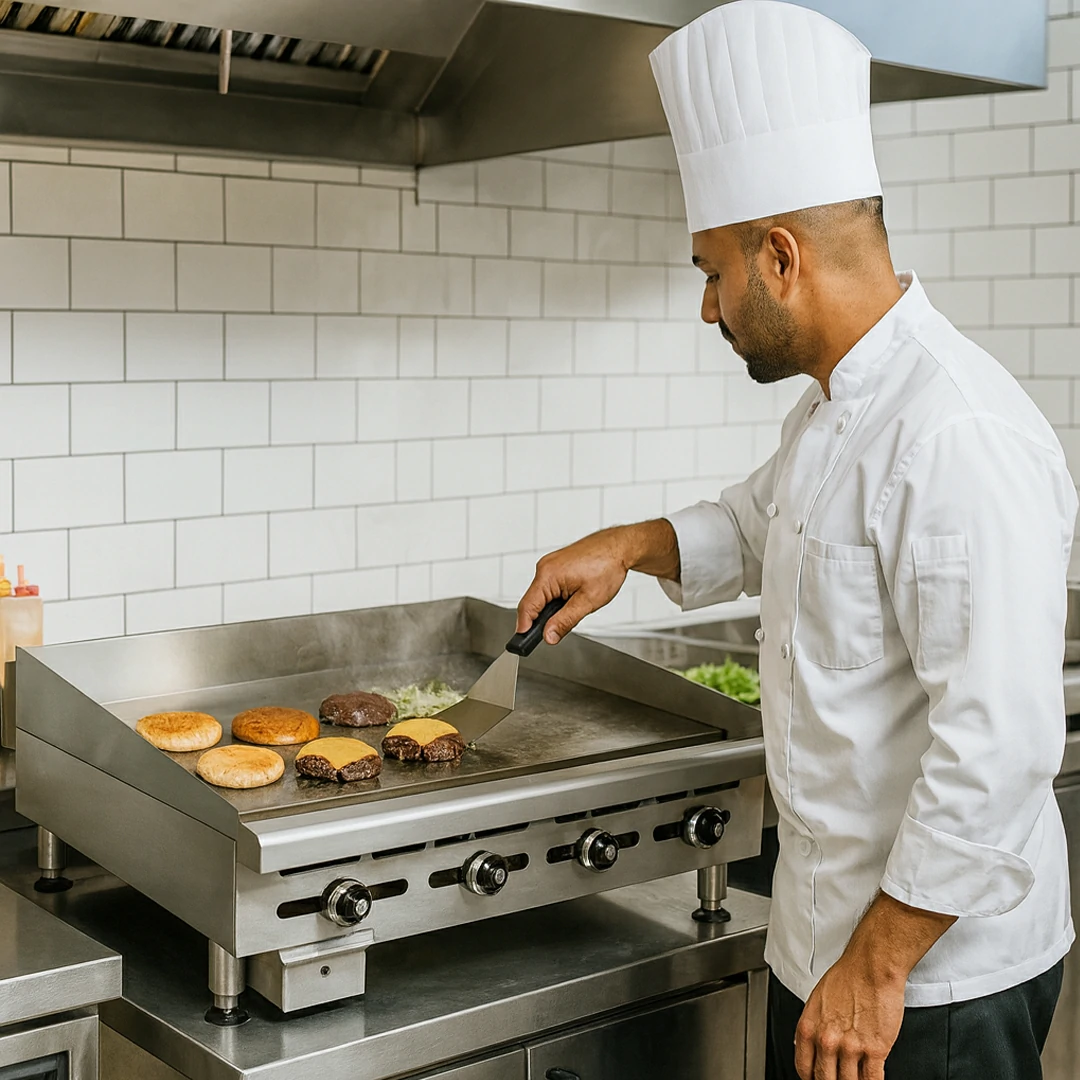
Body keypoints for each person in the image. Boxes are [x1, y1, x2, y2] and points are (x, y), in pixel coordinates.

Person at [516, 3, 1076, 1078]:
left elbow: (1000, 746)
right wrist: (630, 546)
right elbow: (759, 521)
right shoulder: (834, 408)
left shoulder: (954, 431)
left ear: (779, 258)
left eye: (710, 272)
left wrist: (877, 966)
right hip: (831, 948)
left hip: (930, 983)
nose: (708, 308)